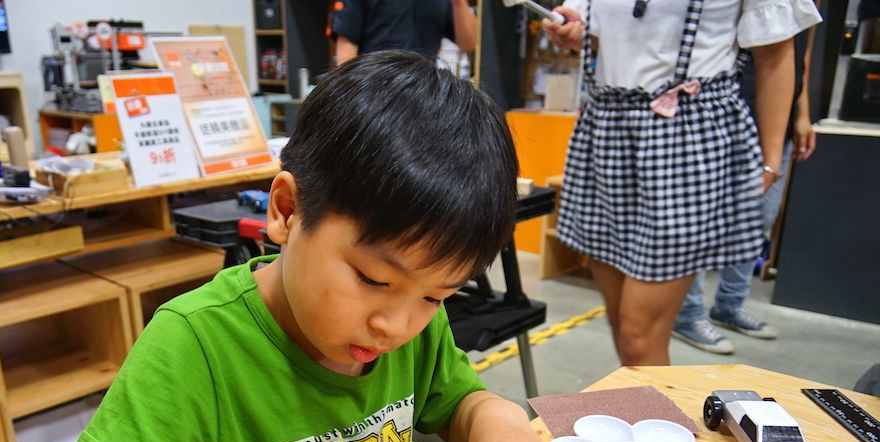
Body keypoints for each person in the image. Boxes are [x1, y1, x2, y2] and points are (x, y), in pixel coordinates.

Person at [75, 51, 571, 442]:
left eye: (436, 296)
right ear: (286, 211)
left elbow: (459, 401)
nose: (396, 325)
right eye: (373, 280)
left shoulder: (409, 323)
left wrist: (499, 423)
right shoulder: (193, 343)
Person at [543, 0, 821, 366]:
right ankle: (645, 412)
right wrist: (572, 30)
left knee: (637, 333)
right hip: (604, 133)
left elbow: (775, 53)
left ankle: (656, 420)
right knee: (620, 323)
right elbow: (597, 36)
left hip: (687, 138)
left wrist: (770, 162)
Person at [673, 17, 820, 354]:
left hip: (777, 122)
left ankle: (729, 304)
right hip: (729, 116)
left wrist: (801, 113)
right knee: (699, 221)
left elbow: (800, 54)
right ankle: (687, 313)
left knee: (759, 219)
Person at [329, 0, 478, 65]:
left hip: (423, 93)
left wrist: (459, 2)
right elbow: (345, 55)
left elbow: (470, 43)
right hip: (374, 93)